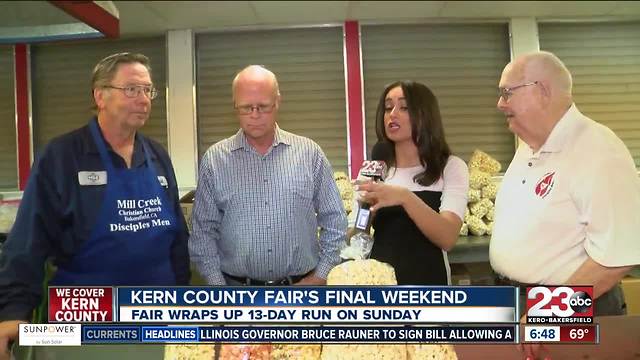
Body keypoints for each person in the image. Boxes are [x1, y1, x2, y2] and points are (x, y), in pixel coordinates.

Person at [0, 52, 190, 359]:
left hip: (158, 317)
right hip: (84, 321)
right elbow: (27, 242)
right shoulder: (62, 156)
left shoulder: (156, 154)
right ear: (100, 95)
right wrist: (12, 311)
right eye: (131, 89)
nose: (143, 99)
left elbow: (177, 240)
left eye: (147, 90)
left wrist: (182, 305)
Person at [490, 51, 640, 358]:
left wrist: (548, 311)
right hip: (523, 303)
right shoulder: (529, 146)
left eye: (507, 93)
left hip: (572, 308)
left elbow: (618, 255)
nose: (500, 104)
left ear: (542, 90)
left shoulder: (597, 149)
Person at [189, 65, 347, 286]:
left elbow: (335, 220)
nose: (255, 115)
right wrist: (219, 289)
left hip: (301, 291)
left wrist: (320, 275)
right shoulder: (215, 160)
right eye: (246, 108)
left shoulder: (310, 154)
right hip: (236, 293)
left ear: (277, 102)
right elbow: (203, 233)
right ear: (235, 106)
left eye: (263, 106)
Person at [356, 81, 469, 285]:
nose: (392, 114)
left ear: (425, 115)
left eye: (404, 107)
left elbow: (448, 237)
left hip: (430, 288)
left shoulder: (451, 167)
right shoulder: (374, 169)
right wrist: (365, 213)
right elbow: (357, 235)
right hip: (380, 288)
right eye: (388, 107)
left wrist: (404, 197)